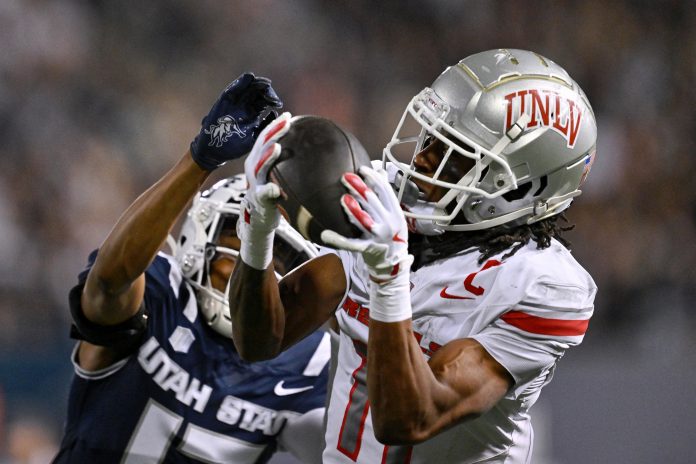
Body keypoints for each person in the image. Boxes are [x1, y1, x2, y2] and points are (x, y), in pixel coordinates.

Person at [229, 49, 598, 463]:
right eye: (430, 138)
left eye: (453, 153)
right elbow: (260, 340)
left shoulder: (542, 285)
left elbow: (410, 420)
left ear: (518, 188)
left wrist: (388, 278)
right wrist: (256, 233)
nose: (421, 160)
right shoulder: (393, 207)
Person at [52, 74, 330, 464]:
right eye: (239, 238)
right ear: (201, 236)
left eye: (277, 257)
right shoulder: (160, 291)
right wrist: (200, 160)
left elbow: (367, 446)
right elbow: (110, 283)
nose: (248, 271)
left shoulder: (310, 363)